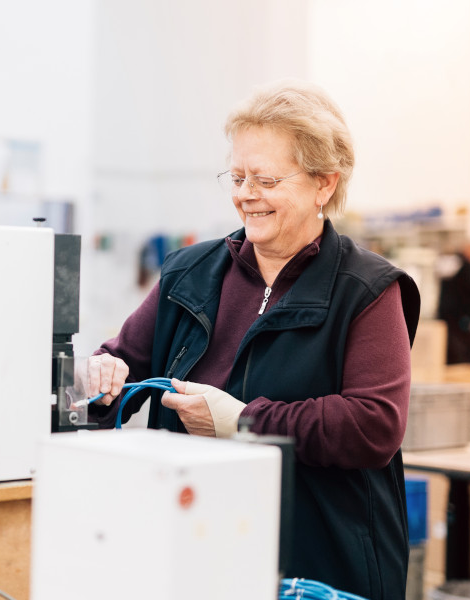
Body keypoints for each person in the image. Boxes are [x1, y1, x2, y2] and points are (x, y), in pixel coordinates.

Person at [83, 80, 420, 599]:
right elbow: (121, 361)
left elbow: (375, 425)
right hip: (199, 551)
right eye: (237, 177)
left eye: (265, 179)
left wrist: (243, 422)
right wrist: (101, 375)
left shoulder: (367, 291)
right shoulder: (188, 274)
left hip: (318, 564)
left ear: (323, 185)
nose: (245, 195)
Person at [437, 241, 470, 364]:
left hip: (450, 313)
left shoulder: (453, 264)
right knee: (459, 349)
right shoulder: (463, 265)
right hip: (458, 315)